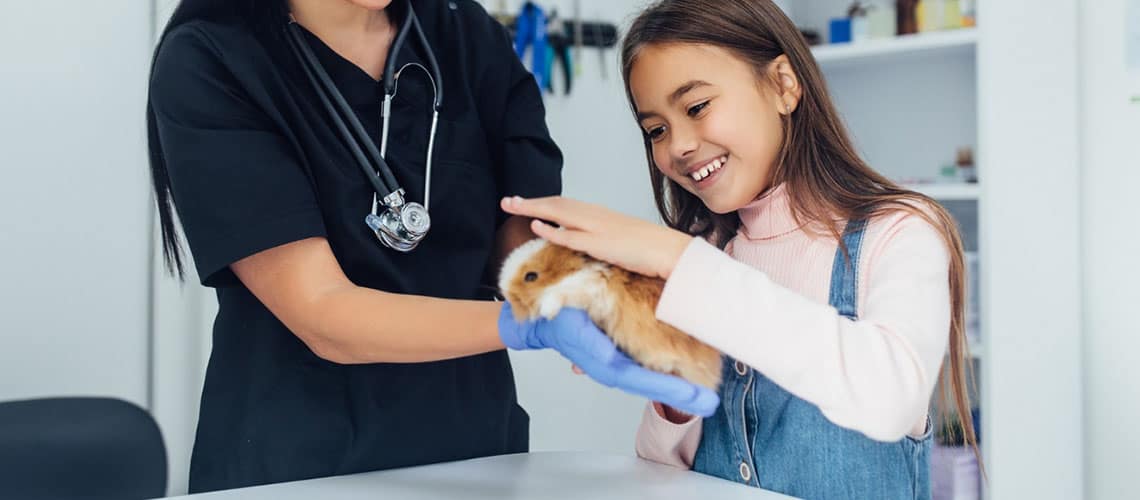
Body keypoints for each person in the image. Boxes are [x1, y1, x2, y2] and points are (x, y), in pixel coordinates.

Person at [147, 0, 717, 492]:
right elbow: (321, 311)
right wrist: (522, 326)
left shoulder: (467, 37)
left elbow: (523, 243)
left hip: (475, 455)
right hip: (298, 461)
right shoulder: (213, 58)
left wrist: (591, 292)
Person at [500, 0, 979, 498]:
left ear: (783, 85)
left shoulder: (900, 232)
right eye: (656, 130)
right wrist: (675, 390)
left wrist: (677, 259)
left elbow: (891, 398)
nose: (677, 146)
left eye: (697, 107)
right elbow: (662, 471)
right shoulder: (711, 254)